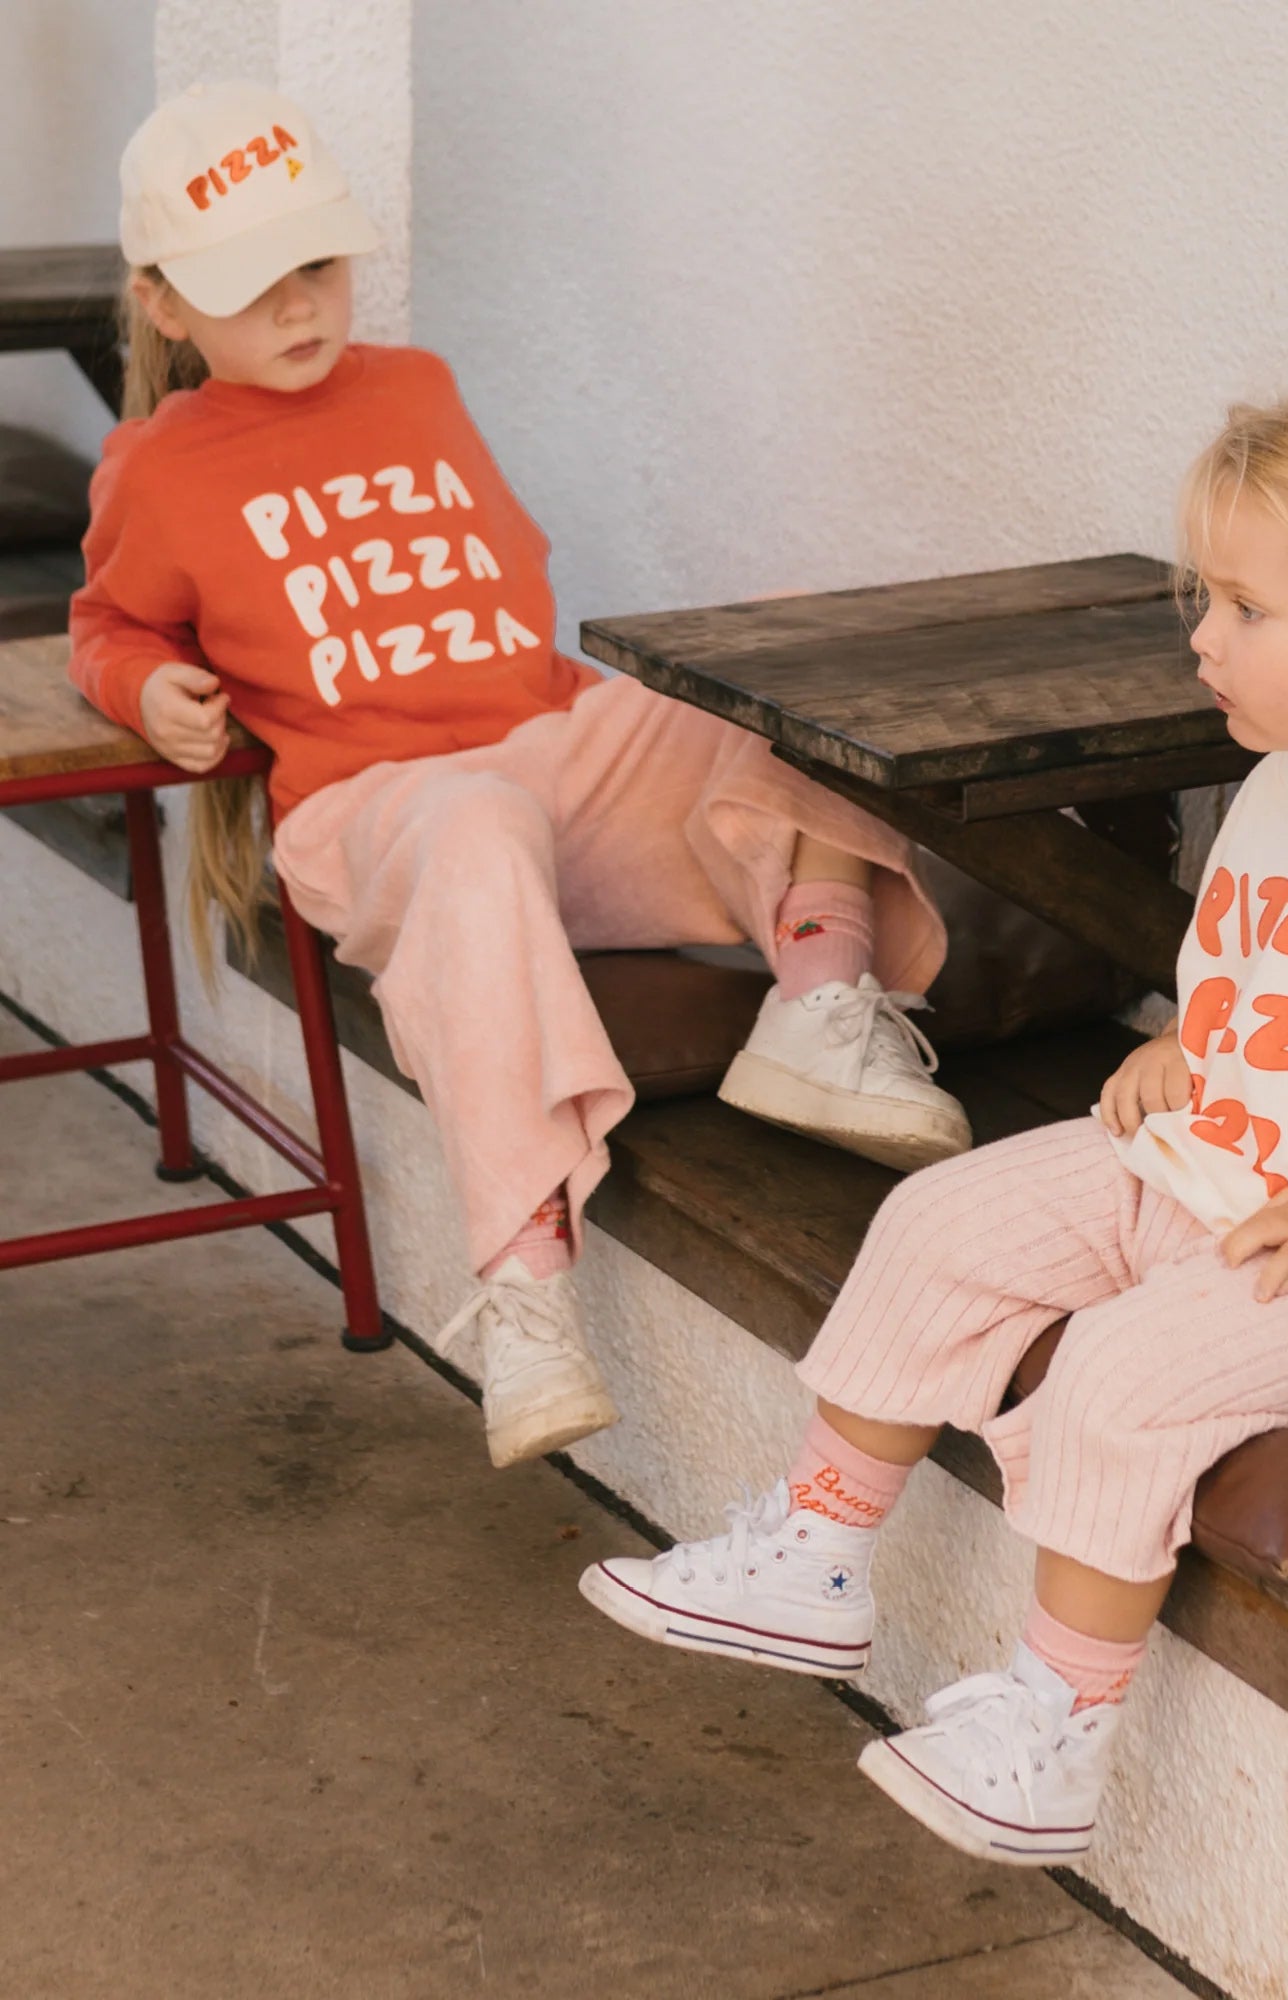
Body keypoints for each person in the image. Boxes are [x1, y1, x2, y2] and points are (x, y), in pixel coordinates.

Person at [581, 386, 1288, 1865]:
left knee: (1127, 1368)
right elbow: (1245, 987)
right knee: (942, 1217)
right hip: (1211, 1160)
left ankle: (1050, 1734)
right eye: (1203, 599)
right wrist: (1180, 1056)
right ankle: (818, 1552)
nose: (1203, 640)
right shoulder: (1282, 782)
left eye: (1247, 610)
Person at [68, 80, 970, 1470]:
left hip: (553, 753)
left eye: (315, 265)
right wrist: (151, 688)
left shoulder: (416, 385)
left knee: (788, 653)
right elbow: (106, 624)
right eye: (252, 285)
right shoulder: (159, 467)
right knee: (479, 817)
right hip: (375, 811)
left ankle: (820, 1000)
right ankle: (527, 1287)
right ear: (167, 307)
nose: (300, 305)